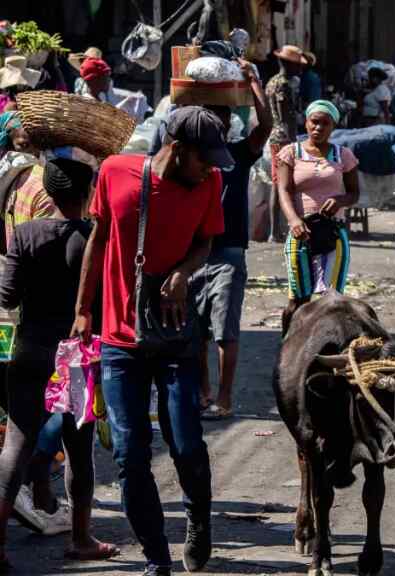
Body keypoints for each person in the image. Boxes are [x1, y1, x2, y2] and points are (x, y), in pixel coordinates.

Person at [72, 106, 231, 576]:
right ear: (177, 149)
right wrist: (83, 310)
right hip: (120, 339)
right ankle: (156, 557)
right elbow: (97, 241)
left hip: (177, 336)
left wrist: (184, 272)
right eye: (205, 159)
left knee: (185, 442)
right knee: (129, 453)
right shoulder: (115, 172)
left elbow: (206, 241)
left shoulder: (209, 185)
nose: (212, 169)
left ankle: (198, 520)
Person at [0, 158, 119, 569]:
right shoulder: (94, 238)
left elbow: (7, 297)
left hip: (29, 350)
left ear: (47, 194)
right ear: (87, 195)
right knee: (79, 450)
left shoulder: (25, 234)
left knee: (16, 444)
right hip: (78, 357)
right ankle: (82, 539)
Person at [194, 60, 272, 420]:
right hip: (192, 253)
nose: (218, 124)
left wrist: (255, 82)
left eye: (222, 118)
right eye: (212, 117)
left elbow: (266, 125)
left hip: (227, 253)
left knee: (225, 330)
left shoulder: (238, 154)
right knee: (194, 333)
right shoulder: (191, 158)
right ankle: (202, 393)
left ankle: (224, 398)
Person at [276, 100, 360, 334]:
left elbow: (354, 193)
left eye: (325, 123)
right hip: (301, 233)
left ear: (333, 126)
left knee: (330, 300)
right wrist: (293, 220)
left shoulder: (343, 155)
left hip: (333, 233)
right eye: (315, 122)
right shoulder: (290, 153)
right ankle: (287, 349)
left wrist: (340, 200)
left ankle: (324, 351)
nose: (319, 128)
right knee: (298, 301)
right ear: (306, 122)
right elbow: (283, 190)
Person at [266, 45, 309, 242]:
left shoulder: (272, 81)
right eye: (297, 65)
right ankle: (275, 232)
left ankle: (277, 230)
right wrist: (295, 143)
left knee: (279, 183)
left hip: (275, 136)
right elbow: (287, 117)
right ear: (287, 64)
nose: (300, 69)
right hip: (283, 139)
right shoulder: (282, 84)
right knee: (280, 184)